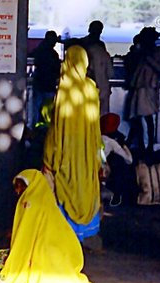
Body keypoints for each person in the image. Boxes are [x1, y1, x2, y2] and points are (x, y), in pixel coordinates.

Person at [1, 169, 95, 283]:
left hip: (40, 256)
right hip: (59, 256)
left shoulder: (28, 202)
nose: (17, 191)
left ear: (30, 185)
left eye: (20, 186)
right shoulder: (47, 202)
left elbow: (25, 237)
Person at [43, 45, 103, 243]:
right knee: (83, 185)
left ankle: (65, 237)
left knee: (66, 186)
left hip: (66, 154)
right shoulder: (91, 89)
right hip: (87, 153)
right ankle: (84, 233)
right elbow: (95, 128)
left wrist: (48, 158)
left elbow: (56, 130)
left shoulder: (64, 90)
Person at [127, 28, 160, 159]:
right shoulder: (142, 52)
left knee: (148, 118)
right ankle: (140, 144)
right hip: (140, 87)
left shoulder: (158, 53)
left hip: (149, 87)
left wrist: (146, 56)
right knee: (137, 117)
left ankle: (148, 145)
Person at [81, 21, 114, 115]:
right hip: (102, 87)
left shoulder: (82, 44)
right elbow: (110, 73)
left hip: (86, 87)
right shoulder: (101, 48)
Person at [31, 31, 61, 127]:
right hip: (49, 85)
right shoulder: (53, 54)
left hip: (39, 83)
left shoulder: (39, 50)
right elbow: (57, 69)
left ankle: (35, 129)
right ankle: (46, 129)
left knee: (36, 110)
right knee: (48, 111)